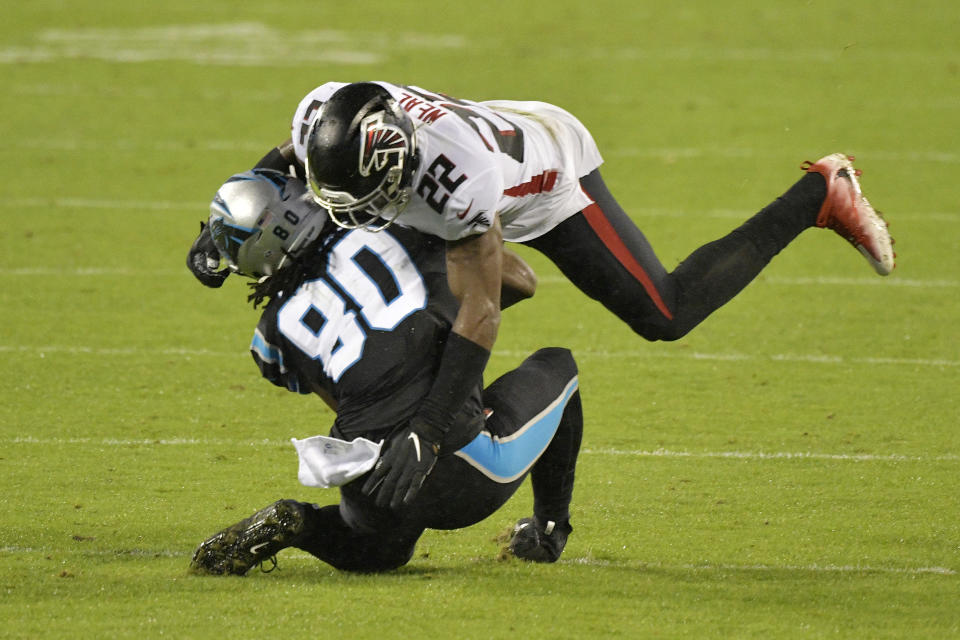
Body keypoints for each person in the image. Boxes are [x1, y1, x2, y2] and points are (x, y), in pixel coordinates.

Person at [189, 168, 583, 575]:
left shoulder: (272, 333)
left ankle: (304, 524)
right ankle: (545, 532)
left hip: (367, 474)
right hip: (461, 468)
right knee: (558, 366)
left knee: (381, 551)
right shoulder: (397, 227)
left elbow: (355, 394)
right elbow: (519, 282)